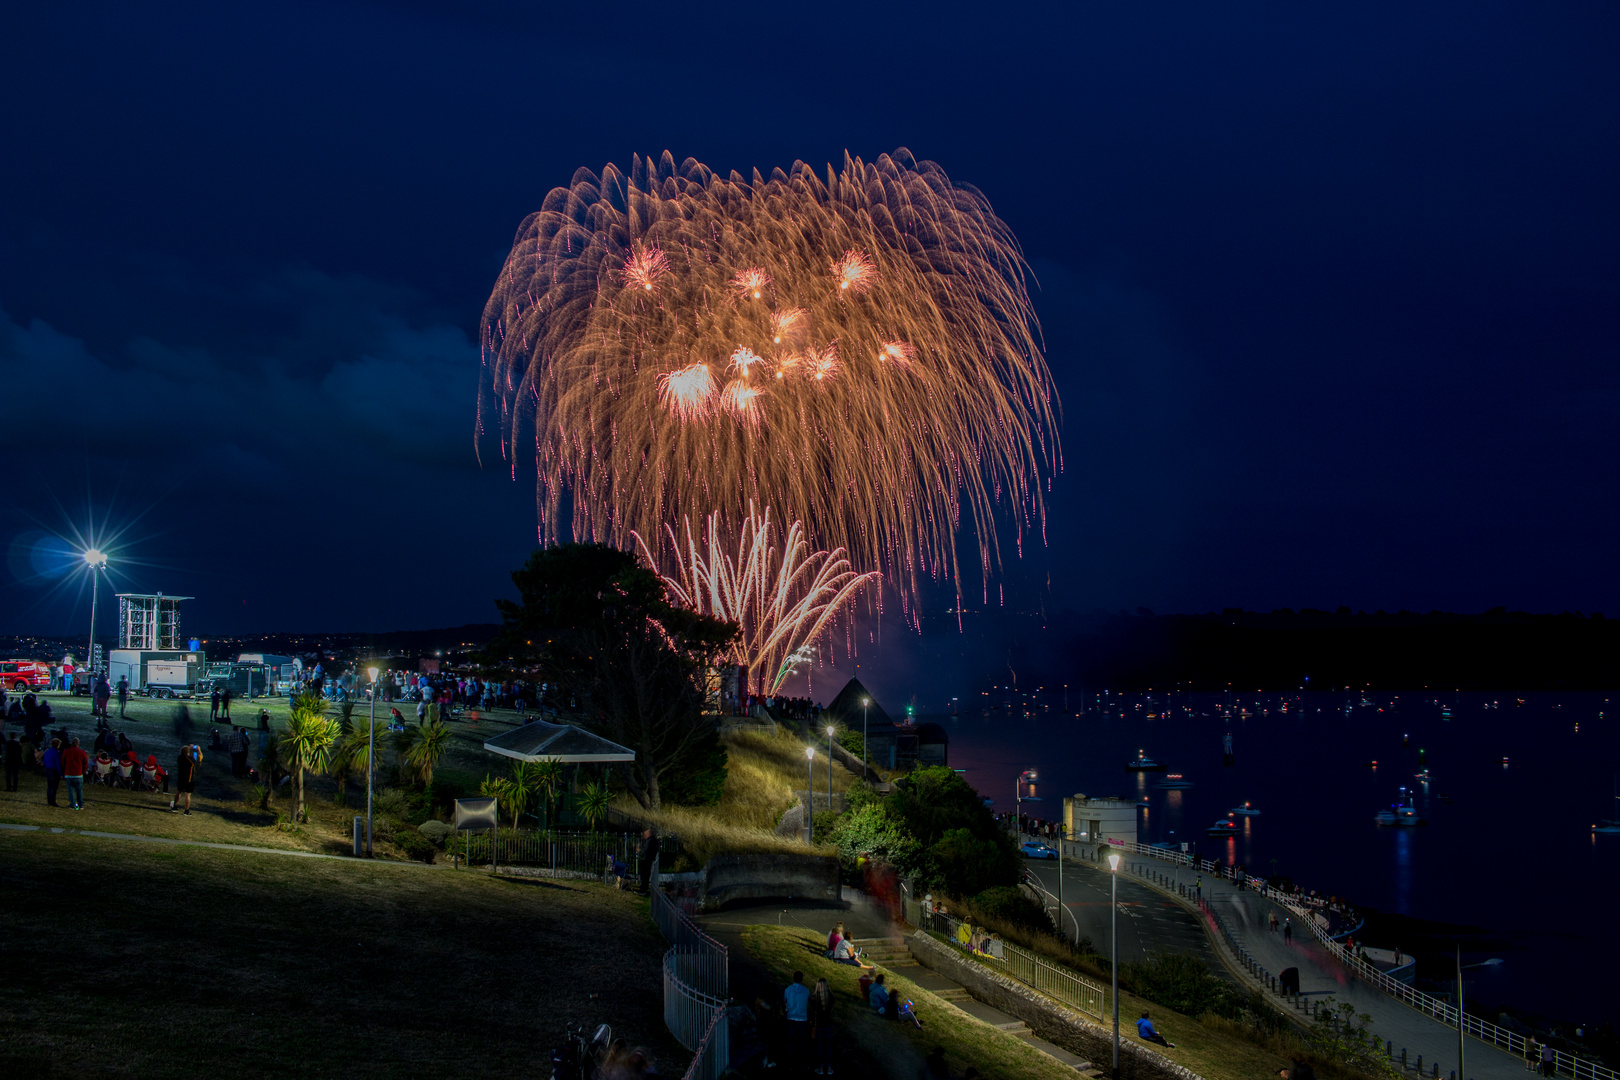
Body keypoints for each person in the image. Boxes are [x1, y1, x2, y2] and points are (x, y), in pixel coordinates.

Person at [808, 977, 834, 1075]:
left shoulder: (814, 998)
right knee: (828, 1046)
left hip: (818, 1024)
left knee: (819, 1046)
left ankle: (820, 1068)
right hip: (828, 1023)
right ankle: (829, 1067)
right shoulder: (831, 997)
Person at [783, 970, 810, 1059]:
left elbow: (785, 1002)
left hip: (791, 1017)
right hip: (802, 1019)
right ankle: (800, 1060)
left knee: (790, 1040)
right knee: (801, 1041)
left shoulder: (788, 990)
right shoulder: (806, 991)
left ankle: (789, 1059)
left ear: (793, 978)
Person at [61, 736, 89, 810]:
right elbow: (85, 763)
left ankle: (73, 805)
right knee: (79, 790)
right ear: (78, 744)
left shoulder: (66, 752)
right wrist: (83, 771)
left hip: (69, 774)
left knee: (71, 790)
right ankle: (80, 805)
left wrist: (63, 772)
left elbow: (63, 763)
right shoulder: (82, 752)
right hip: (78, 774)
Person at [171, 743, 200, 815]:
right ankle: (186, 810)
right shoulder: (190, 760)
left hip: (181, 778)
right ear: (188, 752)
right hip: (189, 779)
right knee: (187, 795)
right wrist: (198, 751)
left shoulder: (179, 758)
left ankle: (174, 806)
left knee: (179, 792)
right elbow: (197, 760)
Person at [41, 737, 63, 806]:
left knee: (49, 786)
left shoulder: (47, 752)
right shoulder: (57, 753)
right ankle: (53, 801)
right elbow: (58, 764)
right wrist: (60, 773)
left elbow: (44, 761)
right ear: (58, 745)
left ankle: (49, 800)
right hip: (54, 771)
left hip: (48, 770)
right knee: (54, 787)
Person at [637, 828, 660, 892]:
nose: (644, 837)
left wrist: (640, 851)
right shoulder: (654, 840)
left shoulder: (650, 841)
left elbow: (646, 850)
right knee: (646, 875)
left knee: (644, 875)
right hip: (649, 859)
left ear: (648, 834)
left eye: (645, 835)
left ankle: (643, 889)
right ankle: (644, 888)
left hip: (646, 860)